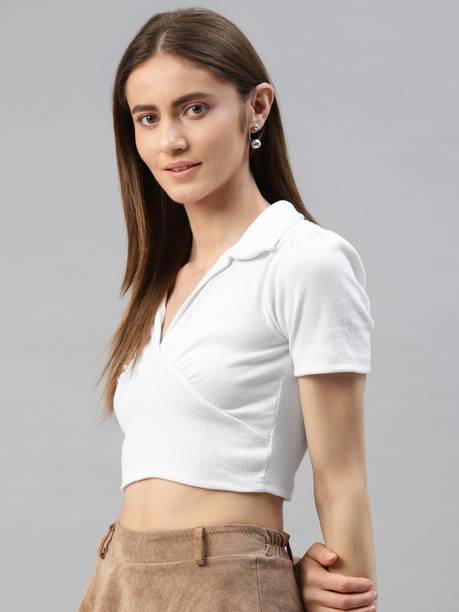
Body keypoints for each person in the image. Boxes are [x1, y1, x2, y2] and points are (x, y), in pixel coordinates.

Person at [78, 7, 379, 612]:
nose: (170, 140)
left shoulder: (305, 260)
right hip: (118, 577)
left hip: (226, 586)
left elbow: (341, 479)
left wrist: (309, 582)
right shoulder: (163, 281)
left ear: (256, 107)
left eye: (194, 108)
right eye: (147, 118)